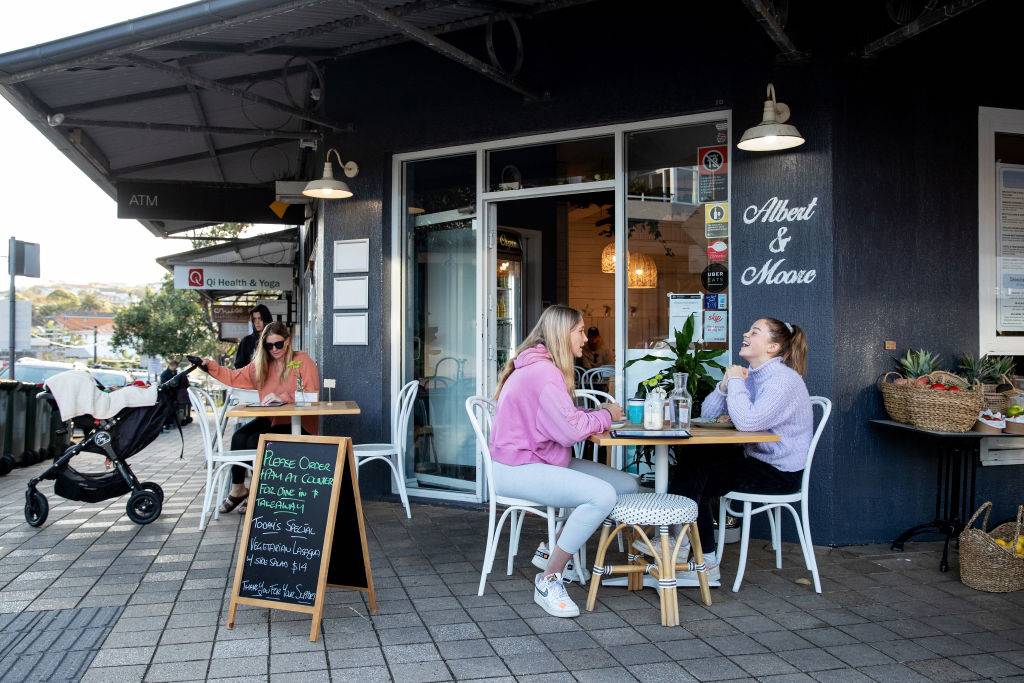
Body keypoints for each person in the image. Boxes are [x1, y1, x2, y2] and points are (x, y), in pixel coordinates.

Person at [489, 304, 641, 618]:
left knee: (627, 484)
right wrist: (605, 416)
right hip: (519, 468)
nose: (586, 338)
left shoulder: (540, 367)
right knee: (601, 494)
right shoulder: (544, 372)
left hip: (540, 459)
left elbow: (560, 420)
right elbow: (570, 432)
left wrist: (592, 417)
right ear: (562, 334)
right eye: (580, 330)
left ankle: (552, 550)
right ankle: (549, 578)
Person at [662, 317, 813, 581]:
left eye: (755, 332)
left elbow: (748, 422)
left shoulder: (782, 380)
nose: (746, 333)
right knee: (695, 456)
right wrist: (724, 385)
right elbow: (707, 413)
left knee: (700, 475)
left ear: (773, 347)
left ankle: (688, 550)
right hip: (757, 459)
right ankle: (690, 550)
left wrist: (735, 383)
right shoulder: (754, 375)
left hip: (780, 472)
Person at [197, 322, 320, 514]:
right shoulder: (262, 364)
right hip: (272, 419)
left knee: (256, 440)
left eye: (278, 344)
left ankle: (258, 492)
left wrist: (284, 397)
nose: (274, 349)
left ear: (287, 341)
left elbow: (313, 395)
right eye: (269, 346)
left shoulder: (302, 360)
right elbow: (235, 377)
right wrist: (210, 367)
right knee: (239, 437)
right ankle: (238, 489)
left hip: (299, 422)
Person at [233, 304, 273, 369]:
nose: (257, 322)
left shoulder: (275, 339)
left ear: (266, 319)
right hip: (251, 377)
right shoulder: (246, 341)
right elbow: (238, 365)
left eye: (260, 319)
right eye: (254, 319)